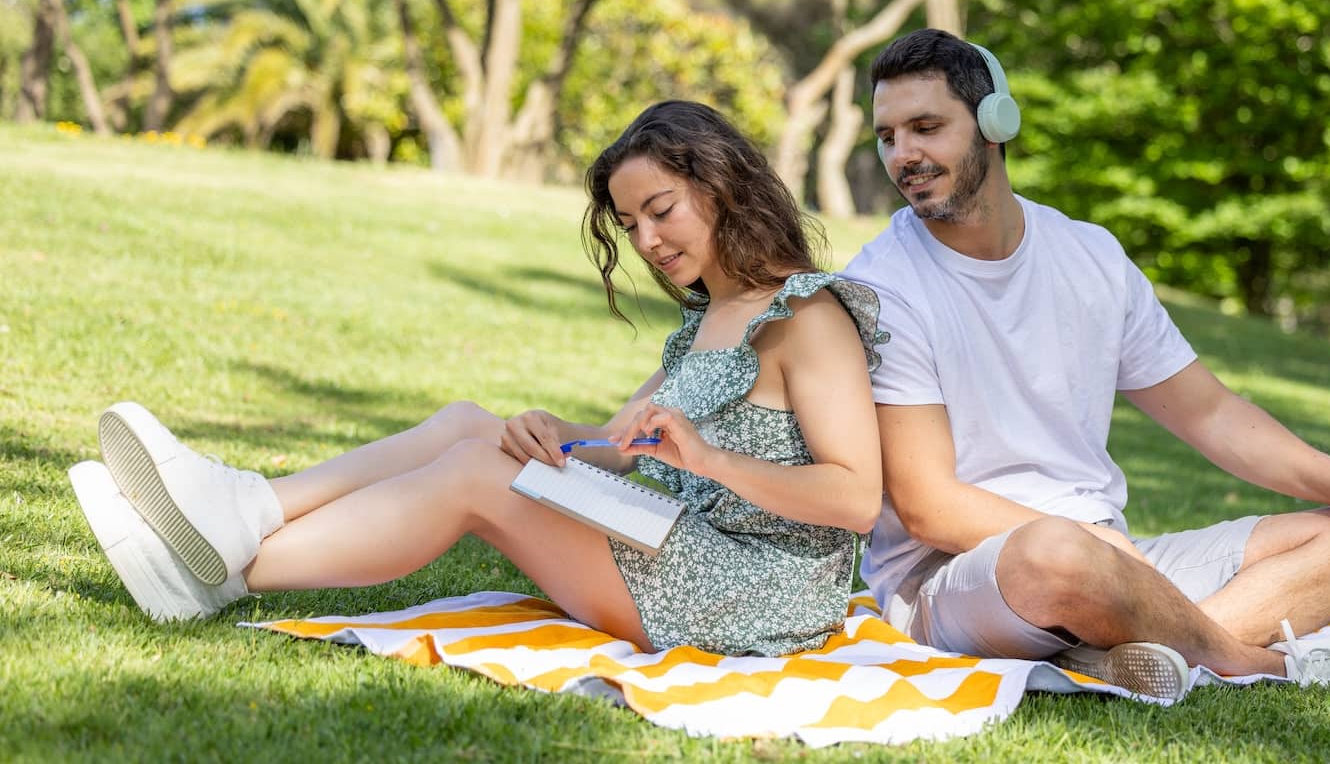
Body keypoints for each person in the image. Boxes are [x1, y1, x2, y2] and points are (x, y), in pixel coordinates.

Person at [70, 100, 887, 657]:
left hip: (758, 591)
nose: (644, 240)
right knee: (474, 426)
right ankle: (246, 509)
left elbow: (854, 498)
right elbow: (620, 449)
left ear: (722, 186)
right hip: (680, 542)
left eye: (660, 210)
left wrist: (708, 461)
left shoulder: (806, 319)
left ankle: (223, 571)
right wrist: (552, 436)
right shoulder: (709, 314)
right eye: (629, 222)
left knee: (473, 476)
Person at [842, 29, 1330, 699]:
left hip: (1111, 564)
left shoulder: (1089, 255)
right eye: (888, 136)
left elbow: (1213, 414)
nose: (903, 155)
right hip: (965, 578)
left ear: (994, 123)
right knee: (1057, 555)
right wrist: (1094, 552)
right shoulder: (881, 289)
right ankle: (1251, 663)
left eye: (925, 127)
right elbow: (929, 508)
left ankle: (1120, 656)